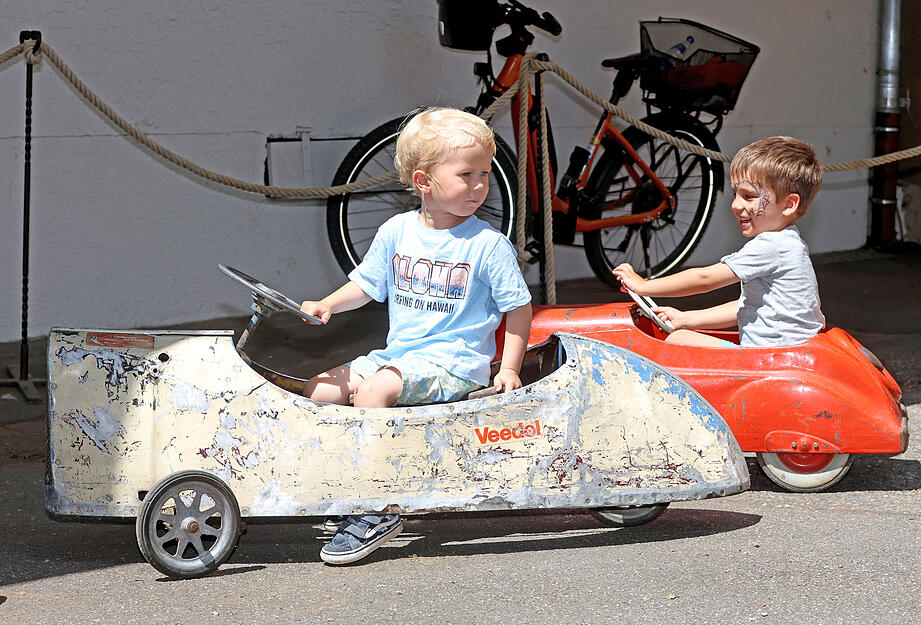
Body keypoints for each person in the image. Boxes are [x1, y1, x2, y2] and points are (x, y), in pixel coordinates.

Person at [299, 107, 533, 564]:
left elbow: (519, 308)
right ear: (424, 181)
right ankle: (346, 487)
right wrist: (327, 302)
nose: (481, 185)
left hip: (454, 364)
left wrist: (508, 368)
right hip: (401, 355)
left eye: (485, 173)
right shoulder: (396, 231)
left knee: (374, 391)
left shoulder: (487, 245)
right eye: (467, 174)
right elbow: (367, 285)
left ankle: (381, 505)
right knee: (319, 390)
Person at [613, 136, 825, 348]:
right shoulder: (789, 242)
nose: (735, 205)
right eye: (736, 194)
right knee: (683, 332)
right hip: (786, 354)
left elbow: (705, 278)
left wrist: (644, 286)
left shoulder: (772, 246)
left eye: (748, 196)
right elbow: (749, 306)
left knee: (678, 341)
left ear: (788, 204)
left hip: (770, 360)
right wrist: (686, 319)